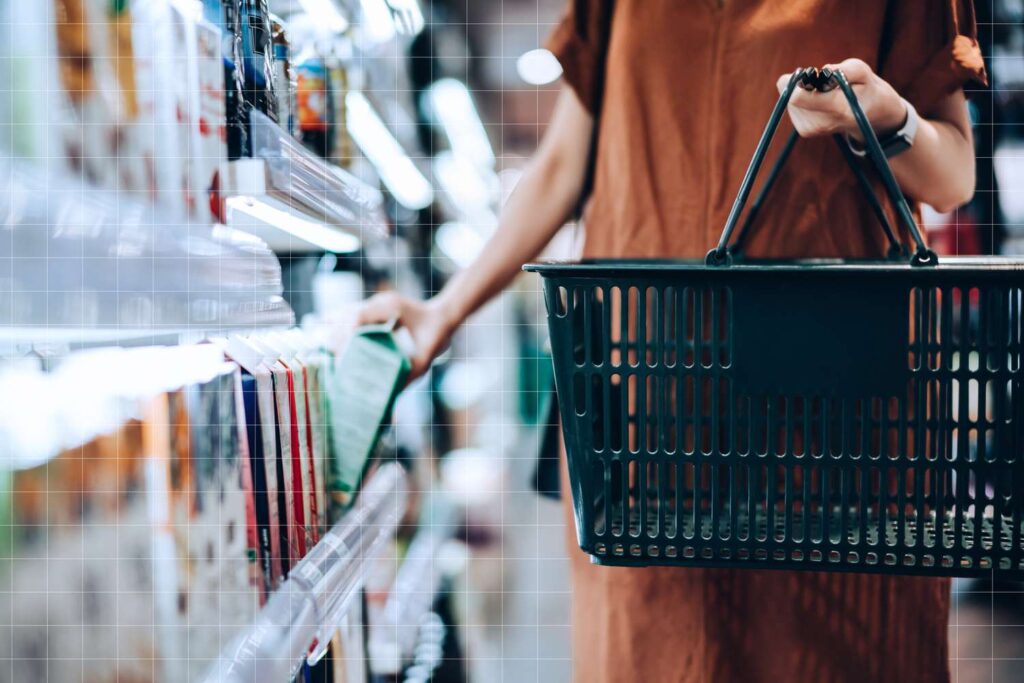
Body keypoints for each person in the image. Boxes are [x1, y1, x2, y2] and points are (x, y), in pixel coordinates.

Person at [360, 2, 987, 681]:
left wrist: (885, 118)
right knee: (657, 647)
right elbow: (563, 165)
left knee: (829, 651)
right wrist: (443, 311)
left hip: (829, 422)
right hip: (648, 420)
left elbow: (952, 176)